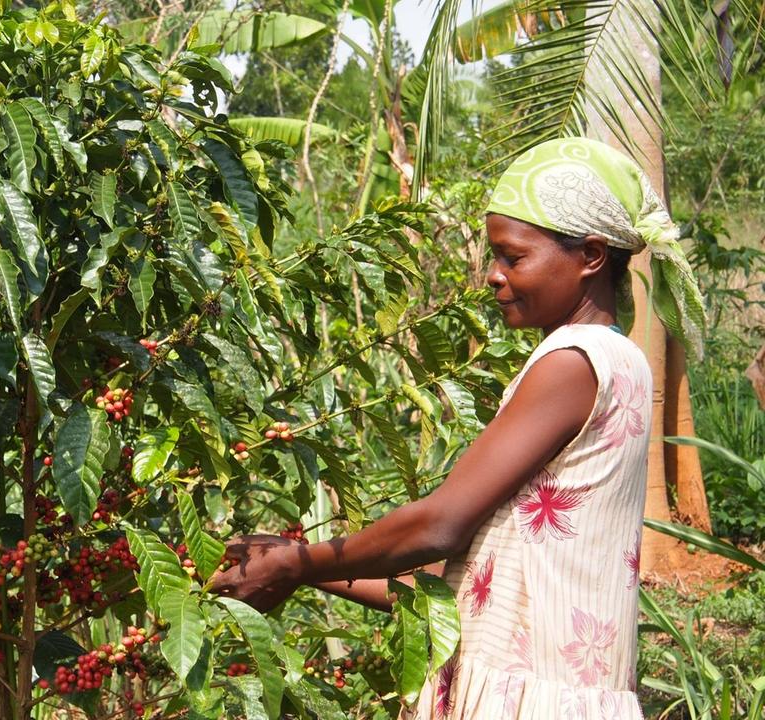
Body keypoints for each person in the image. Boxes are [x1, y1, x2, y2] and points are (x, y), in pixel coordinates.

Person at [209, 137, 707, 719]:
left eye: (513, 257)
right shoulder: (620, 360)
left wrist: (300, 563)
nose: (493, 276)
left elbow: (440, 526)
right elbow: (460, 577)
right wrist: (300, 564)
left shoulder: (574, 360)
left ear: (591, 255)